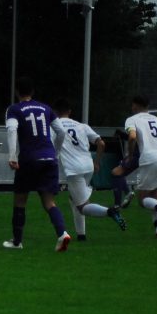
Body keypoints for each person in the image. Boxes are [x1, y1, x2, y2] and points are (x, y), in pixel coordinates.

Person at [3, 77, 71, 252]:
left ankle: (17, 242)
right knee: (49, 202)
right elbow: (61, 131)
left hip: (29, 159)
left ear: (17, 92)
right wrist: (54, 153)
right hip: (49, 159)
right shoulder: (46, 108)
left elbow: (11, 130)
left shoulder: (15, 109)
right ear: (32, 92)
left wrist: (12, 156)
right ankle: (62, 233)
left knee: (20, 200)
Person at [52, 99, 126, 241]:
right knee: (74, 199)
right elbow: (101, 143)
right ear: (70, 111)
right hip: (88, 166)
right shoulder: (82, 126)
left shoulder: (55, 126)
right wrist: (97, 163)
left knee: (82, 206)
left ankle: (110, 211)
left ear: (55, 112)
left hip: (74, 169)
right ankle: (81, 235)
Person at [123, 96, 157, 238]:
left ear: (135, 106)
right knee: (155, 197)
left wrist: (130, 155)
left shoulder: (132, 119)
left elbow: (132, 137)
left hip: (149, 158)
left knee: (142, 200)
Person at [110, 129, 138, 209]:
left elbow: (133, 137)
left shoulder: (134, 123)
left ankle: (117, 204)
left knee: (115, 173)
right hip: (141, 154)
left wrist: (121, 134)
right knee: (119, 173)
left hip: (137, 155)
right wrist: (122, 135)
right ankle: (128, 193)